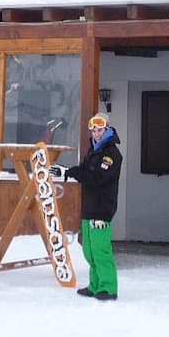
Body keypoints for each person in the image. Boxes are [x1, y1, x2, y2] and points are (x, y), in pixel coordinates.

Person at [57, 112, 123, 302]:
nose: (96, 133)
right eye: (94, 130)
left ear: (107, 129)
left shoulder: (111, 154)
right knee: (89, 250)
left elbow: (97, 178)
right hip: (89, 208)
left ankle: (108, 288)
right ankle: (95, 285)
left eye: (100, 129)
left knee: (101, 250)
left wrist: (77, 175)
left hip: (102, 210)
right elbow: (85, 171)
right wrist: (67, 172)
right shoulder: (94, 151)